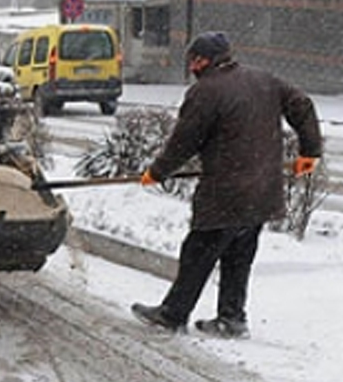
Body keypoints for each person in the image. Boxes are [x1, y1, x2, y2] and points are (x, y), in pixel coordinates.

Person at [131, 31, 322, 339]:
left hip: (226, 192)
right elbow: (302, 104)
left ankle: (172, 314)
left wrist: (157, 171)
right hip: (261, 191)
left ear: (202, 60)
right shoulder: (265, 80)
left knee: (198, 252)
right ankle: (231, 319)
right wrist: (310, 151)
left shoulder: (206, 92)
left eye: (194, 60)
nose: (192, 67)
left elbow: (184, 141)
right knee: (238, 253)